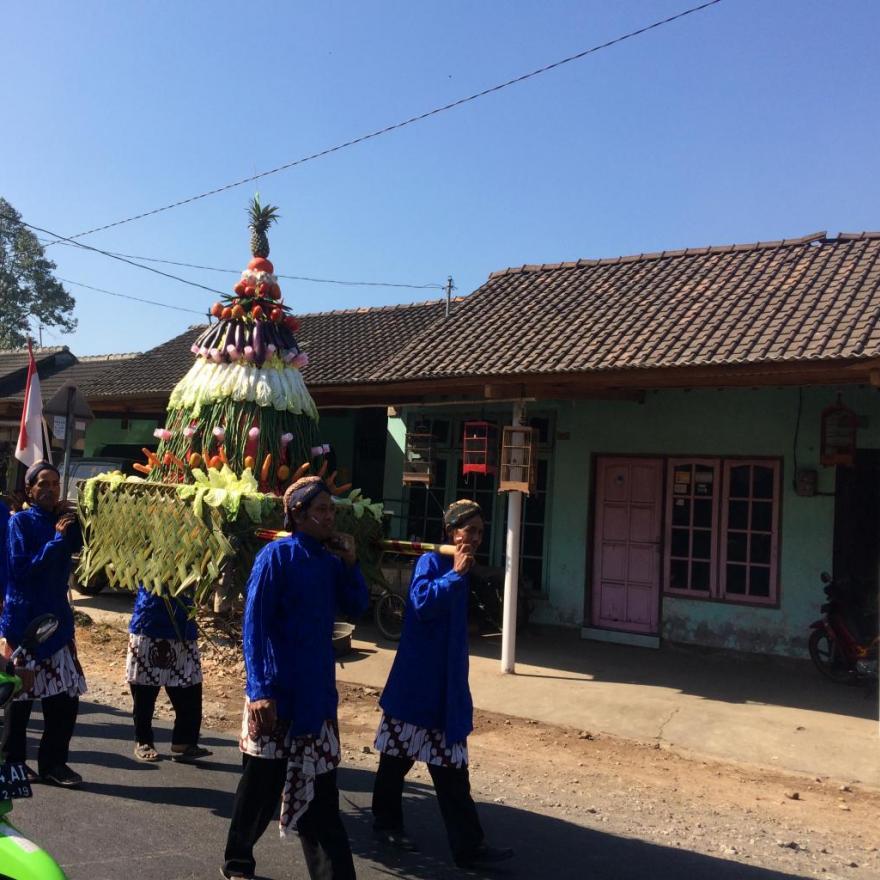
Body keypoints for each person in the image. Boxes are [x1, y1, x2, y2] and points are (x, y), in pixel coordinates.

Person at [222, 476, 369, 880]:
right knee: (260, 788)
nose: (329, 517)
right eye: (321, 510)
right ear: (298, 514)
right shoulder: (276, 556)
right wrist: (259, 690)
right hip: (277, 692)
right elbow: (255, 625)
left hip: (316, 695)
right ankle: (237, 861)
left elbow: (356, 607)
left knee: (322, 795)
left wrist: (352, 563)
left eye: (332, 510)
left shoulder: (330, 561)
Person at [371, 499, 514, 869]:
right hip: (416, 686)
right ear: (452, 532)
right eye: (471, 531)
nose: (478, 538)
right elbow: (419, 603)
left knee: (453, 775)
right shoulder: (431, 562)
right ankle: (386, 824)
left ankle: (470, 848)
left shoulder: (461, 568)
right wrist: (454, 575)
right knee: (394, 764)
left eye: (481, 531)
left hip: (446, 690)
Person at [0, 461, 86, 787]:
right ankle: (14, 766)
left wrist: (74, 523)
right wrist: (56, 540)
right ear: (30, 490)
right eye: (43, 484)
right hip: (24, 625)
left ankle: (54, 764)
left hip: (58, 625)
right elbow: (22, 570)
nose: (49, 489)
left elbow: (79, 546)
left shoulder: (62, 521)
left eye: (54, 483)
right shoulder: (18, 523)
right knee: (20, 702)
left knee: (64, 701)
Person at [126, 584, 211, 763]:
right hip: (150, 623)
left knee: (190, 687)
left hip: (183, 625)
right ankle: (143, 740)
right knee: (145, 691)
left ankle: (184, 742)